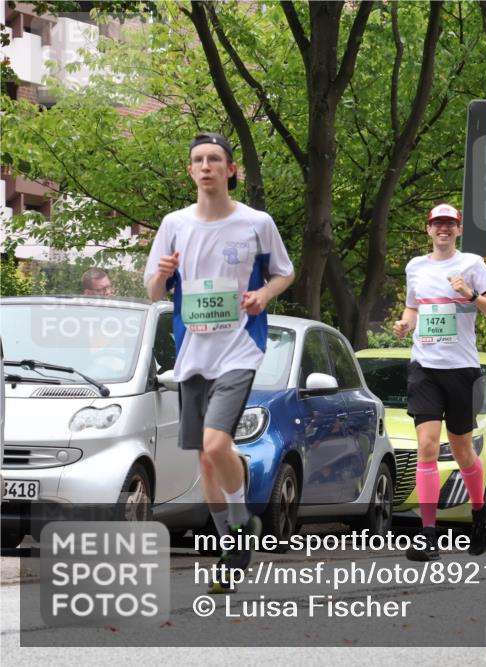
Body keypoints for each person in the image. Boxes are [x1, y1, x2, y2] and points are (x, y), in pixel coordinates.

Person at [144, 132, 294, 590]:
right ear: (190, 171)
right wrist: (163, 276)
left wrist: (262, 295)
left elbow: (284, 271)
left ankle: (241, 518)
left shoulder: (256, 222)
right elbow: (153, 291)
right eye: (197, 160)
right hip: (193, 354)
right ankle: (232, 542)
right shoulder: (174, 224)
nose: (205, 166)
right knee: (206, 462)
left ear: (231, 170)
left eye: (214, 159)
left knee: (214, 446)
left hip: (240, 348)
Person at [393, 202, 486, 561]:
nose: (443, 229)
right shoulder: (416, 267)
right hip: (424, 366)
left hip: (461, 369)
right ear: (428, 229)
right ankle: (428, 533)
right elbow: (414, 307)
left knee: (462, 450)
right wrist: (404, 323)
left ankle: (479, 512)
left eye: (450, 224)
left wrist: (471, 295)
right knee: (426, 447)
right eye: (437, 224)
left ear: (458, 230)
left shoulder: (472, 265)